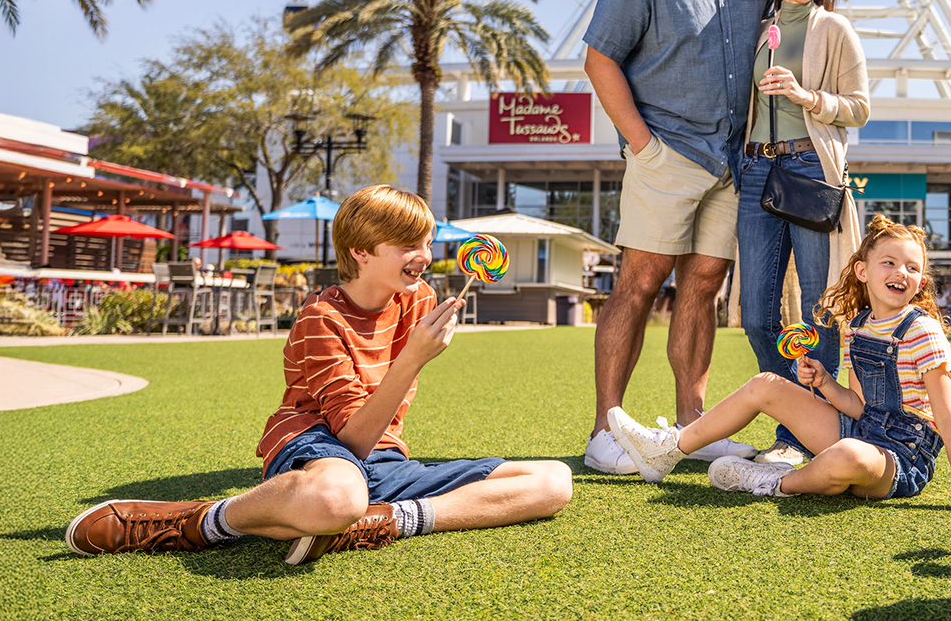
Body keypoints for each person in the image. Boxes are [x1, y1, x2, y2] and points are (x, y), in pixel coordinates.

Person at [65, 185, 573, 564]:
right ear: (361, 250)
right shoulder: (319, 319)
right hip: (316, 445)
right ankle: (198, 521)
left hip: (384, 460)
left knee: (553, 482)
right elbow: (349, 439)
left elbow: (374, 444)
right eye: (408, 245)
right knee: (336, 495)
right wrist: (412, 359)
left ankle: (380, 522)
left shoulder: (419, 300)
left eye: (427, 241)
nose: (424, 256)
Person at [606, 216, 951, 519]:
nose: (902, 272)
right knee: (766, 384)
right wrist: (825, 383)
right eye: (890, 262)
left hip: (902, 456)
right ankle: (668, 450)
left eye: (913, 268)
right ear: (863, 271)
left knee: (847, 456)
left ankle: (776, 482)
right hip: (860, 429)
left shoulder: (924, 332)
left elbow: (948, 417)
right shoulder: (861, 327)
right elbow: (857, 406)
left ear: (921, 281)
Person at [581, 0, 773, 473]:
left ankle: (692, 424)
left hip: (730, 158)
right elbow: (600, 60)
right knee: (639, 283)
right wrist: (642, 144)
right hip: (666, 150)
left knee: (704, 286)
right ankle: (605, 429)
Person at [737, 0, 869, 467]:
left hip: (811, 167)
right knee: (755, 312)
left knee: (820, 308)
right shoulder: (755, 27)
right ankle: (801, 415)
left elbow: (859, 107)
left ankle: (799, 438)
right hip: (754, 172)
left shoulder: (834, 28)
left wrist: (805, 95)